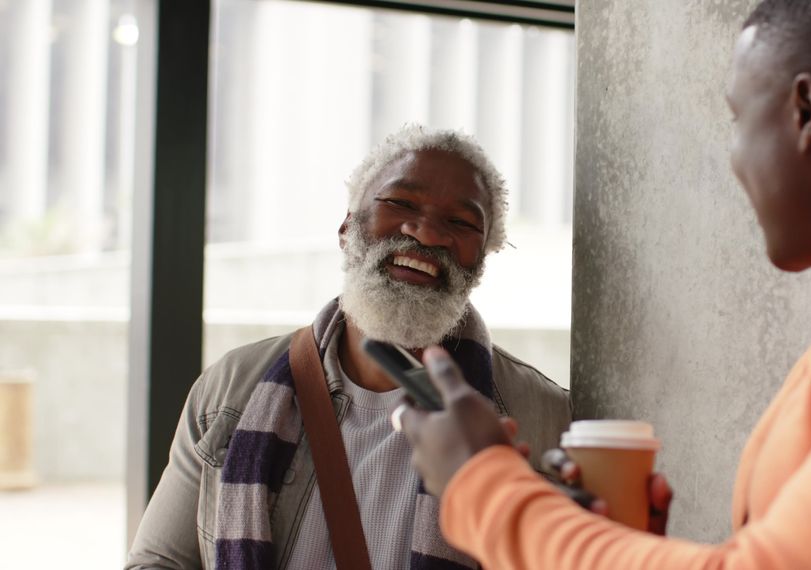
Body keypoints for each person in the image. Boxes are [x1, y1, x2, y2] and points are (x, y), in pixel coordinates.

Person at [398, 1, 811, 568]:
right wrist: (619, 543)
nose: (732, 160)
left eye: (736, 117)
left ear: (805, 109)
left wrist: (481, 484)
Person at [126, 125, 572, 569]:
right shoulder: (231, 389)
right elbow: (157, 561)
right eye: (400, 202)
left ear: (482, 259)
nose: (427, 233)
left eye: (461, 222)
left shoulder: (541, 416)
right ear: (347, 228)